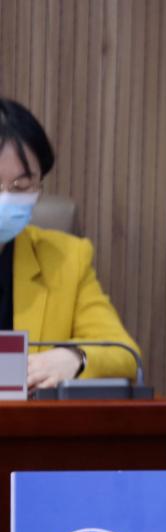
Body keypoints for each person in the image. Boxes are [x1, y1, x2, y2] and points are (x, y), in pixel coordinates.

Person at [0, 96, 141, 390]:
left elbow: (125, 354)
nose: (5, 198)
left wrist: (76, 358)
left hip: (28, 419)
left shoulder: (66, 259)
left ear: (38, 189)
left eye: (21, 187)